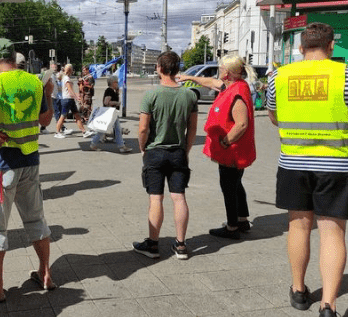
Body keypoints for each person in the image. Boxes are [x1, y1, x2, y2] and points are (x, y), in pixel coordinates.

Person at [267, 22, 348, 316]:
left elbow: (274, 117)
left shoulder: (280, 76)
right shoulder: (345, 75)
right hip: (337, 164)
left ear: (301, 49)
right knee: (333, 233)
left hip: (293, 162)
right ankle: (328, 304)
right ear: (330, 47)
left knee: (298, 227)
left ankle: (299, 291)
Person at [0, 38, 56, 303]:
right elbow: (45, 119)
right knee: (36, 219)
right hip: (30, 162)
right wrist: (49, 96)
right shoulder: (34, 82)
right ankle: (45, 274)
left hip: (1, 166)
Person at [178, 54, 256, 240]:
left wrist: (225, 141)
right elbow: (211, 82)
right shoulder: (232, 85)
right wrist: (189, 77)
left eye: (221, 68)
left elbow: (242, 124)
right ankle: (242, 219)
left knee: (229, 186)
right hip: (233, 151)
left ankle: (232, 227)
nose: (218, 71)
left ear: (228, 73)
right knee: (236, 184)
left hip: (233, 151)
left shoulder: (237, 92)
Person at [133, 51, 198, 260]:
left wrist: (142, 147)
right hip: (178, 152)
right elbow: (193, 129)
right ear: (177, 69)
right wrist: (185, 150)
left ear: (159, 68)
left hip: (155, 152)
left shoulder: (151, 95)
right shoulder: (189, 95)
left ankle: (152, 244)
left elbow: (143, 128)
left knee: (156, 198)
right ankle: (180, 245)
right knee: (179, 197)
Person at [89, 75, 132, 153]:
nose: (118, 83)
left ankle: (93, 144)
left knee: (104, 129)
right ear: (113, 83)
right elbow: (106, 102)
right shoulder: (110, 90)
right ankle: (121, 146)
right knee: (114, 129)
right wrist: (117, 103)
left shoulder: (112, 90)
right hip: (110, 112)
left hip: (111, 112)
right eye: (116, 82)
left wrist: (117, 92)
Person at [54, 63, 94, 139]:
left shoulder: (65, 77)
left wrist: (75, 96)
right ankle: (57, 132)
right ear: (70, 70)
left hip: (69, 99)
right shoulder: (66, 79)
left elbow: (70, 90)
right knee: (63, 116)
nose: (73, 71)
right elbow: (69, 90)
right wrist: (76, 97)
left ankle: (84, 132)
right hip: (67, 99)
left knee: (77, 115)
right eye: (72, 69)